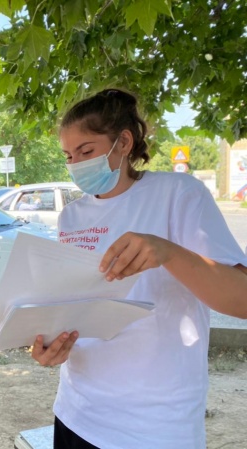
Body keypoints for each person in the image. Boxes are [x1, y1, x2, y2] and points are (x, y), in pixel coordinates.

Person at [31, 88, 247, 448]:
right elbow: (71, 305)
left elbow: (241, 300)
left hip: (155, 425)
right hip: (76, 413)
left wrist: (167, 252)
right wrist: (50, 345)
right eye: (68, 156)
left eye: (86, 151)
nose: (76, 164)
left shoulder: (179, 193)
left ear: (124, 142)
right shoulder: (71, 216)